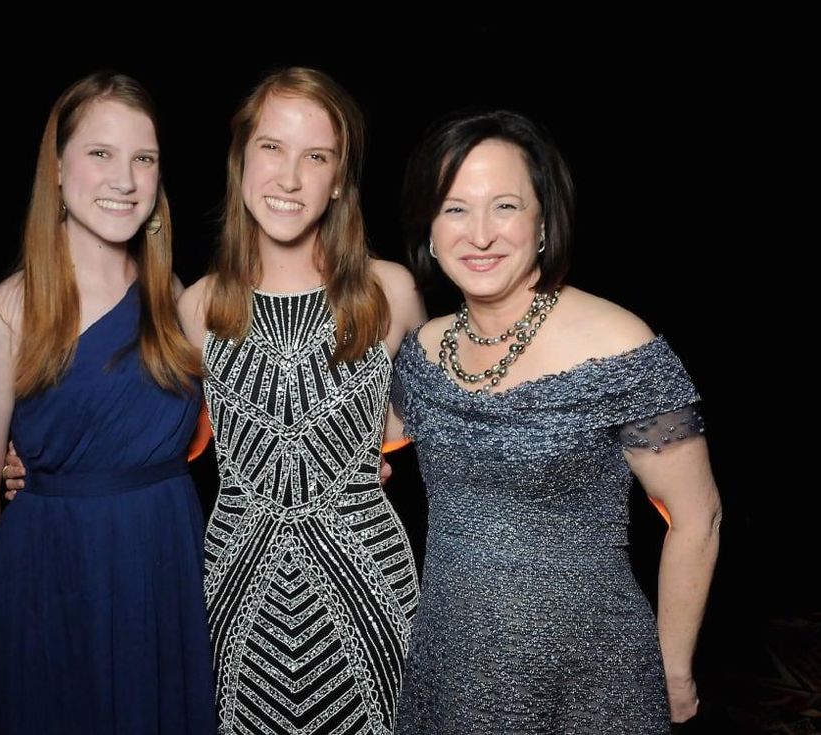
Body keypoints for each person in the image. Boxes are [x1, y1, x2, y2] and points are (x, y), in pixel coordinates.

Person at [390, 110, 722, 734]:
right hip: (449, 667)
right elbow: (354, 450)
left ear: (543, 221)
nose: (480, 234)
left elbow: (699, 517)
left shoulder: (620, 345)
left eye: (506, 206)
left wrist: (674, 670)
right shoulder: (424, 350)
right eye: (455, 209)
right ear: (429, 228)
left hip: (591, 677)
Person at [0, 71, 216, 734]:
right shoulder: (5, 313)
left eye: (143, 158)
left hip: (164, 572)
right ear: (59, 167)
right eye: (100, 153)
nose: (123, 179)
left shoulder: (173, 298)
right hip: (50, 578)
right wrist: (1, 616)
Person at [177, 67, 425, 734]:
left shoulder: (389, 293)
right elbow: (166, 439)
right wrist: (36, 464)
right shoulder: (197, 305)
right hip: (237, 582)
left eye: (316, 156)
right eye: (271, 148)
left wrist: (361, 455)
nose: (290, 177)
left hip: (367, 580)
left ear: (341, 178)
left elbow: (432, 423)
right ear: (240, 160)